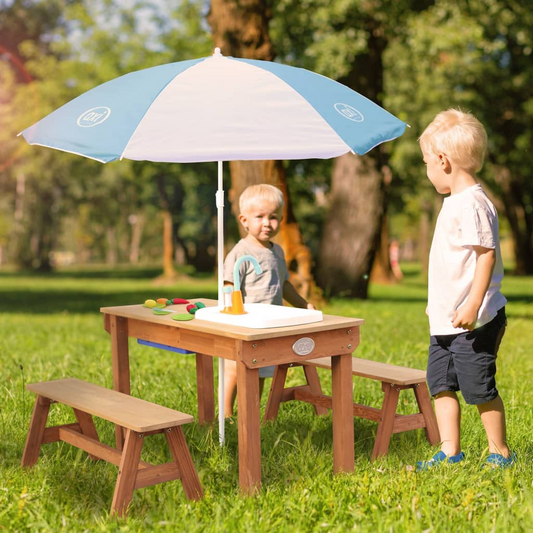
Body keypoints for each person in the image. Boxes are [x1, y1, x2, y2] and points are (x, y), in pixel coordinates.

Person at [416, 109, 514, 470]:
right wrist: (438, 304)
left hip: (475, 320)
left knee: (478, 388)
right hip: (446, 320)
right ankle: (450, 450)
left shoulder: (473, 203)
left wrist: (473, 304)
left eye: (427, 163)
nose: (427, 171)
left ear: (442, 161)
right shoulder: (455, 202)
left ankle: (499, 451)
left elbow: (485, 257)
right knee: (441, 384)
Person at [223, 184, 315, 416]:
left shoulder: (278, 252)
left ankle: (250, 410)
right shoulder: (241, 252)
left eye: (273, 217)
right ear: (244, 220)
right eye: (260, 217)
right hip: (243, 324)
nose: (267, 223)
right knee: (235, 369)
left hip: (268, 326)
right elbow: (228, 285)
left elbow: (284, 285)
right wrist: (230, 312)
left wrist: (304, 305)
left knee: (261, 369)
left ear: (281, 219)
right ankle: (225, 413)